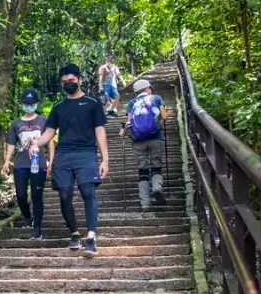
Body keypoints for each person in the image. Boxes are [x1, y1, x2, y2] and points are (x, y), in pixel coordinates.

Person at [32, 63, 109, 257]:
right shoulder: (59, 106)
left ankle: (91, 237)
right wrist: (36, 144)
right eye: (65, 82)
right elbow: (49, 131)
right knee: (64, 195)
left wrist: (105, 159)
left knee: (87, 191)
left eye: (72, 80)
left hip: (86, 153)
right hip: (64, 155)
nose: (68, 84)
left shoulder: (92, 102)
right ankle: (74, 233)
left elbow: (100, 130)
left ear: (80, 80)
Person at [1, 89, 54, 239]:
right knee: (21, 195)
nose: (29, 106)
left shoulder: (43, 121)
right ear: (22, 104)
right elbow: (11, 144)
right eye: (26, 103)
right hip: (20, 164)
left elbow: (50, 143)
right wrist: (6, 161)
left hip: (39, 164)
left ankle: (37, 228)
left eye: (31, 103)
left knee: (37, 195)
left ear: (36, 103)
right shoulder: (16, 123)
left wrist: (51, 161)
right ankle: (27, 217)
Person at [120, 78, 169, 211]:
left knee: (142, 171)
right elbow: (165, 117)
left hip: (138, 141)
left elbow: (129, 122)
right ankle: (157, 188)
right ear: (148, 89)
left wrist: (123, 132)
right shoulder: (156, 98)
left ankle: (145, 203)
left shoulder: (131, 103)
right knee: (156, 166)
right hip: (156, 138)